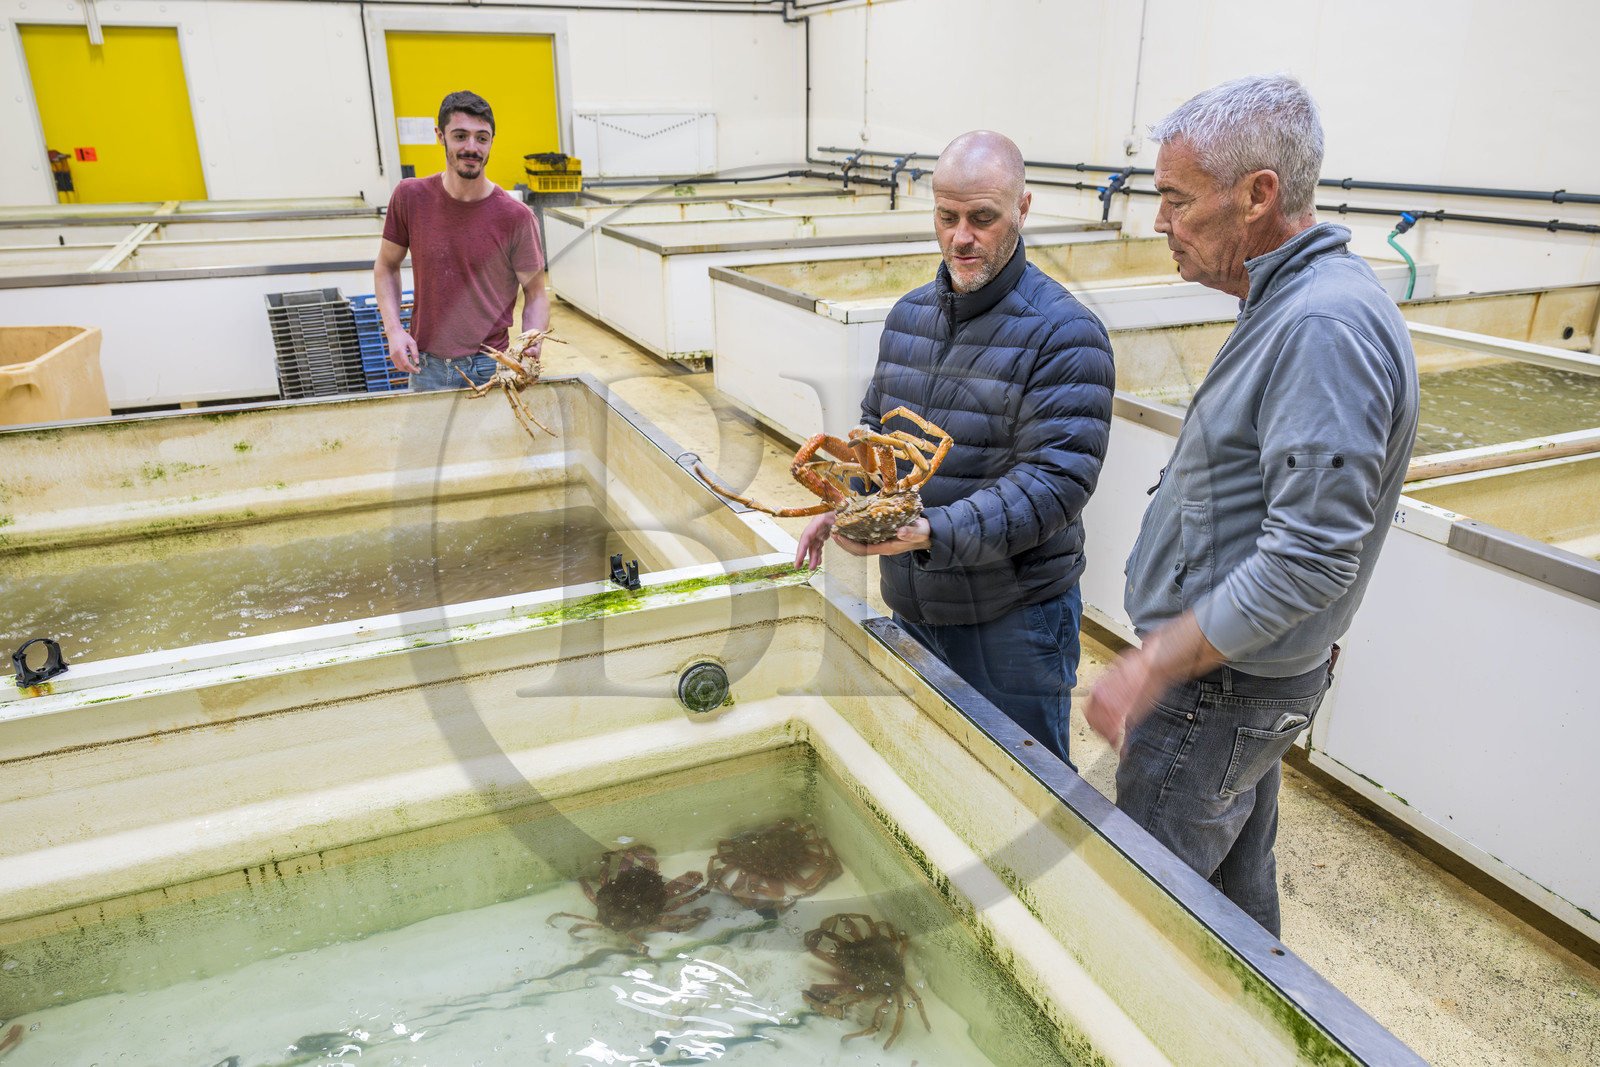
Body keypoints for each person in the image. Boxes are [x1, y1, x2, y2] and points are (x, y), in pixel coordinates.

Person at [1084, 74, 1420, 937]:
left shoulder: (1321, 326)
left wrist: (1153, 661)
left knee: (1143, 910)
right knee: (1233, 893)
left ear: (1258, 195)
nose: (1159, 223)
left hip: (1216, 687)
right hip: (1238, 675)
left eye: (1176, 200)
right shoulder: (1283, 299)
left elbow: (1311, 555)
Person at [794, 130, 1115, 765]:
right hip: (916, 602)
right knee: (938, 769)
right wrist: (848, 504)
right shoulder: (909, 315)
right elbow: (873, 436)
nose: (960, 237)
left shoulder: (1066, 333)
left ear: (1022, 210)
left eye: (982, 218)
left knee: (1026, 786)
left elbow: (1054, 482)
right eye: (947, 216)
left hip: (1014, 618)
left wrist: (928, 532)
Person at [375, 90, 549, 392]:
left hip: (490, 365)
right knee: (429, 441)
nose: (472, 147)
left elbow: (534, 292)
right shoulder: (410, 197)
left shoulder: (516, 217)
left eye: (482, 138)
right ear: (440, 136)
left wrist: (532, 342)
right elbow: (386, 266)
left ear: (492, 141)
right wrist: (393, 331)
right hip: (425, 366)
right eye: (460, 136)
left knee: (495, 442)